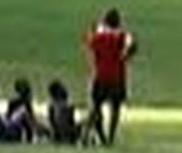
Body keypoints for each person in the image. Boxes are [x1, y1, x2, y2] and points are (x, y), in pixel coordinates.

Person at [85, 8, 136, 145]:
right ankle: (110, 137)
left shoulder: (98, 37)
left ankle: (86, 133)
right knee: (115, 108)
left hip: (100, 75)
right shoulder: (121, 36)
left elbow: (90, 45)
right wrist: (125, 57)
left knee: (96, 107)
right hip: (117, 77)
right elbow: (131, 45)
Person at [4, 77, 46, 142]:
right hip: (15, 132)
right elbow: (31, 121)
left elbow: (7, 117)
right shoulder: (25, 105)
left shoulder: (12, 103)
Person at [46, 79, 82, 145]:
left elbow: (51, 120)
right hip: (66, 130)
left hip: (58, 130)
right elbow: (71, 120)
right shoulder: (68, 105)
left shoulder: (51, 105)